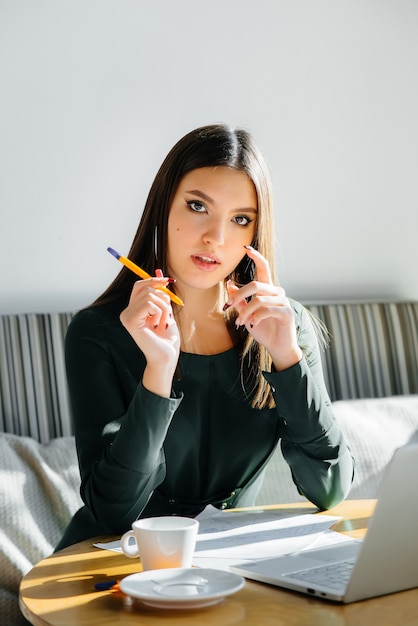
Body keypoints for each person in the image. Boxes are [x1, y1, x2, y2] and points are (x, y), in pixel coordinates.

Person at [56, 123, 354, 550]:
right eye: (197, 206)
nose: (216, 236)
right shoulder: (98, 333)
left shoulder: (284, 327)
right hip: (109, 571)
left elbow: (330, 490)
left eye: (240, 219)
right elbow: (111, 512)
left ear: (255, 232)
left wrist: (287, 356)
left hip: (230, 575)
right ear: (164, 207)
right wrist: (159, 371)